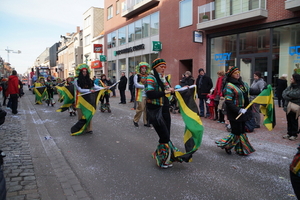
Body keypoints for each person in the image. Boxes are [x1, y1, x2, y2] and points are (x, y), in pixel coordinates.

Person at [145, 58, 181, 169]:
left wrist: (172, 90)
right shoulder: (150, 77)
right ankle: (161, 160)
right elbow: (150, 94)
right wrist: (164, 92)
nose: (163, 68)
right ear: (155, 67)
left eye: (164, 66)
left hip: (165, 108)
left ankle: (160, 154)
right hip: (155, 110)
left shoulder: (162, 77)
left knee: (166, 135)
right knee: (164, 136)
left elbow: (167, 89)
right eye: (161, 66)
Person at [215, 66, 255, 155]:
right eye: (235, 73)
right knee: (236, 131)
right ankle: (227, 146)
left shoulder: (242, 84)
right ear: (231, 75)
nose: (237, 74)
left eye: (238, 72)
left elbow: (251, 91)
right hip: (234, 113)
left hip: (244, 112)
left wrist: (263, 90)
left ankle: (241, 149)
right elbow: (228, 102)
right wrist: (238, 110)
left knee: (241, 131)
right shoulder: (229, 86)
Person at [74, 64, 103, 134]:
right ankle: (81, 128)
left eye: (86, 72)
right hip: (80, 100)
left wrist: (103, 88)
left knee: (89, 114)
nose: (85, 73)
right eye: (83, 72)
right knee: (81, 115)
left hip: (88, 100)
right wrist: (89, 90)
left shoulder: (88, 80)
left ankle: (89, 129)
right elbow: (80, 90)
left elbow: (94, 86)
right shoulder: (76, 80)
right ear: (80, 72)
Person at [282, 74, 300, 141]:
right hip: (288, 106)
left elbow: (297, 94)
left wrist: (288, 94)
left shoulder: (298, 87)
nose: (290, 79)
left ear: (296, 79)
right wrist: (289, 96)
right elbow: (283, 93)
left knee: (294, 120)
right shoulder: (290, 86)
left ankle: (294, 134)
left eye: (292, 78)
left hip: (295, 107)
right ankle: (289, 133)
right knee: (289, 120)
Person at [133, 62, 150, 127]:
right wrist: (145, 86)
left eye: (145, 68)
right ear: (140, 69)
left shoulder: (148, 75)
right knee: (141, 108)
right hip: (141, 95)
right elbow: (136, 85)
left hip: (147, 94)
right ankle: (135, 120)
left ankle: (146, 122)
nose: (144, 69)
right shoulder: (137, 75)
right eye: (143, 68)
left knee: (146, 109)